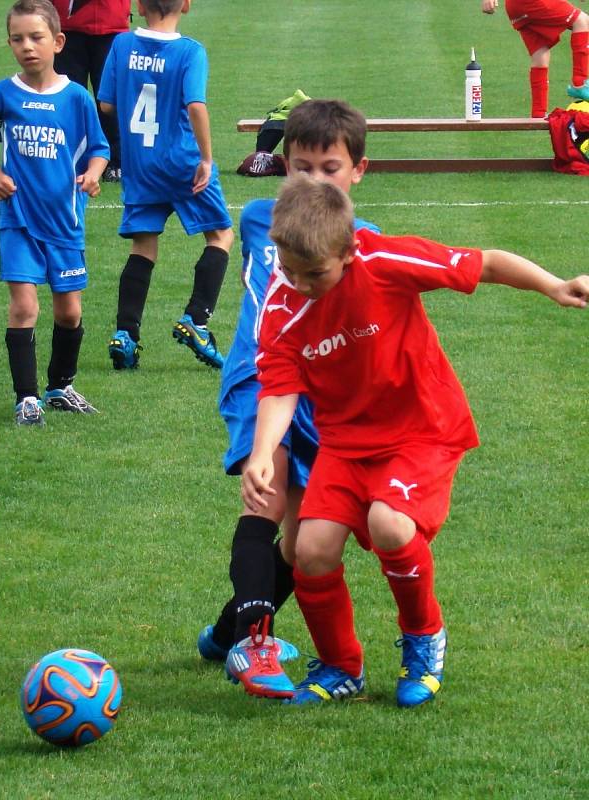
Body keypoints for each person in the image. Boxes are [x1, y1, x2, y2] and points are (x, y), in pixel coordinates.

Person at [242, 172, 589, 707]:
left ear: (350, 252)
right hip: (345, 443)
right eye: (289, 270)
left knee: (390, 524)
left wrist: (554, 284)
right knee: (309, 550)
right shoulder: (281, 307)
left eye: (315, 274)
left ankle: (424, 637)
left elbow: (486, 263)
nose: (300, 283)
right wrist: (264, 452)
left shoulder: (384, 264)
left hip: (422, 431)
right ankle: (340, 666)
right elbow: (280, 387)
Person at [198, 100, 379, 699]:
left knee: (304, 545)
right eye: (301, 168)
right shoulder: (258, 219)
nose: (313, 181)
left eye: (329, 168)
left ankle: (226, 632)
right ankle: (254, 644)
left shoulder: (367, 243)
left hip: (322, 397)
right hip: (262, 377)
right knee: (265, 499)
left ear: (358, 171)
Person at [0, 0, 109, 425]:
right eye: (18, 39)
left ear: (57, 41)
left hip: (65, 220)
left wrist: (93, 175)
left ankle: (61, 386)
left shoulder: (76, 98)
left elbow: (99, 149)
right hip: (18, 218)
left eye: (36, 37)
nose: (28, 46)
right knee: (23, 307)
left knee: (69, 312)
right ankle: (27, 397)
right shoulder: (2, 94)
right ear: (9, 44)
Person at [98, 0, 233, 371]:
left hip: (139, 163)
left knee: (144, 245)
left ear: (139, 5)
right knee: (221, 235)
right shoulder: (190, 51)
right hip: (182, 162)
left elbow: (106, 104)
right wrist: (206, 159)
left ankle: (126, 334)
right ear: (186, 5)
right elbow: (196, 106)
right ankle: (197, 320)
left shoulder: (122, 45)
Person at [51, 0, 130, 182]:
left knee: (110, 98)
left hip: (111, 21)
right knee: (67, 97)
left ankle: (116, 159)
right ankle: (65, 155)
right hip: (66, 22)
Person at [482, 0, 589, 117]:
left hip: (515, 8)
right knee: (581, 21)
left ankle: (538, 112)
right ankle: (580, 83)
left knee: (540, 54)